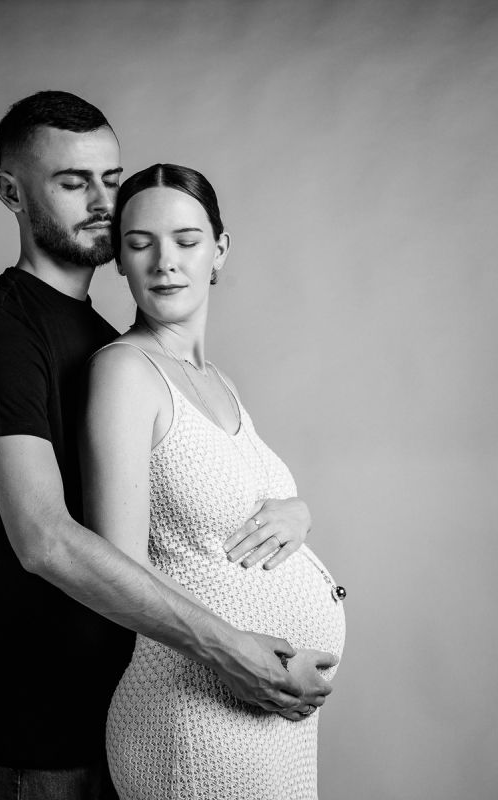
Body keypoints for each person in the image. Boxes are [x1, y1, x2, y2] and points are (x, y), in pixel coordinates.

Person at [0, 91, 334, 800]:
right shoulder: (3, 335)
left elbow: (181, 511)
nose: (102, 203)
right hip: (47, 734)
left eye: (110, 180)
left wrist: (294, 513)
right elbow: (45, 541)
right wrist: (230, 650)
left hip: (135, 704)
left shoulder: (108, 339)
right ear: (11, 193)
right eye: (72, 182)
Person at [82, 163, 347, 800]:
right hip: (195, 712)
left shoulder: (218, 381)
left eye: (186, 240)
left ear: (219, 250)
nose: (165, 262)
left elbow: (224, 508)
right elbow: (117, 568)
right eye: (140, 244)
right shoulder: (125, 373)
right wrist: (240, 654)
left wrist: (299, 512)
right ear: (119, 259)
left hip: (265, 718)